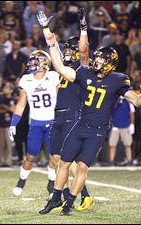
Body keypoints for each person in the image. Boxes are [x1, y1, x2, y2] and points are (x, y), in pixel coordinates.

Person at [37, 9, 141, 215]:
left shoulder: (118, 80)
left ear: (109, 64)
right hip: (80, 124)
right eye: (96, 59)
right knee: (63, 162)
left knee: (82, 168)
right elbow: (62, 67)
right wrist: (50, 39)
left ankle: (69, 203)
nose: (96, 62)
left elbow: (137, 102)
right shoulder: (85, 73)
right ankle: (55, 198)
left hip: (97, 131)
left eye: (100, 60)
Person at [39, 35, 93, 215]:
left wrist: (83, 30)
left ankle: (84, 195)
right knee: (54, 158)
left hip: (72, 113)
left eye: (71, 49)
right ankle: (62, 196)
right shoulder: (67, 67)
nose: (67, 52)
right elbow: (56, 61)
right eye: (66, 49)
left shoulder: (82, 67)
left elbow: (65, 61)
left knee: (68, 161)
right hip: (59, 114)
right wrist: (50, 39)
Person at [9, 50, 59, 197]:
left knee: (53, 157)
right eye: (31, 61)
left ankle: (51, 184)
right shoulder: (26, 80)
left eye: (35, 61)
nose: (31, 64)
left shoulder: (54, 77)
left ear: (45, 63)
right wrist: (14, 123)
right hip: (36, 123)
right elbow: (20, 105)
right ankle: (21, 181)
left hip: (53, 122)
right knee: (31, 156)